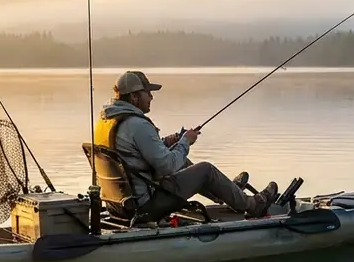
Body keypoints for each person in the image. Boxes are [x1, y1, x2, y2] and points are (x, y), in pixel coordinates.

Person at [93, 70, 279, 218]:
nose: (151, 97)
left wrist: (170, 140)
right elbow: (167, 166)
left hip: (119, 203)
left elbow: (136, 153)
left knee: (184, 162)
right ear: (134, 96)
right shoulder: (138, 125)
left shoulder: (108, 121)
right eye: (147, 93)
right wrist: (185, 142)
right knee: (205, 169)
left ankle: (227, 191)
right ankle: (253, 205)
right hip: (146, 205)